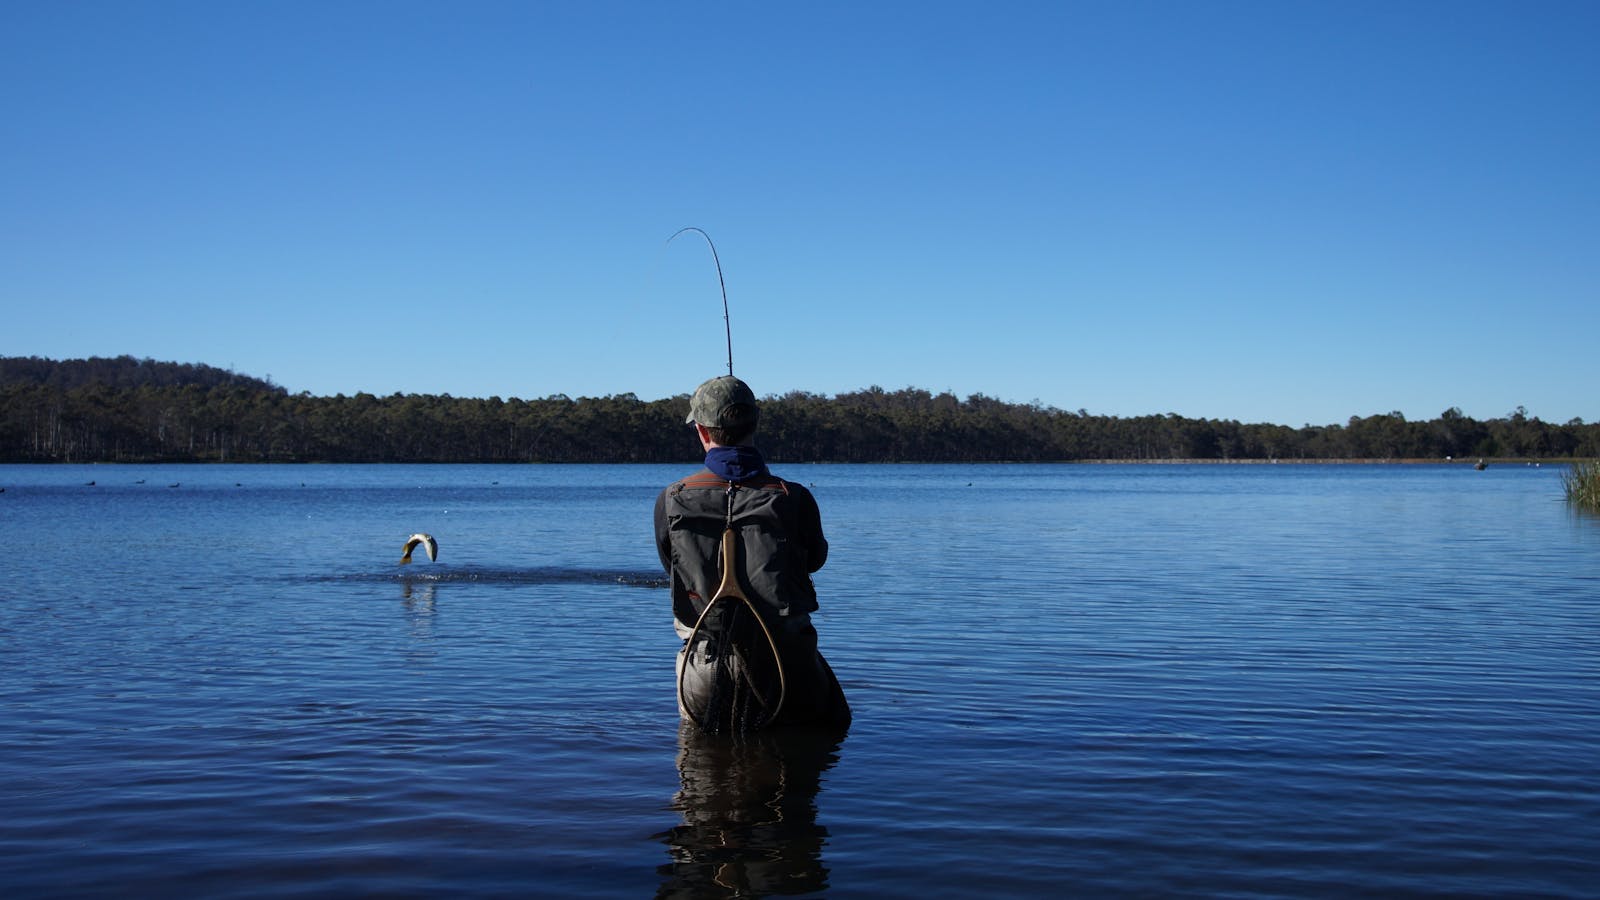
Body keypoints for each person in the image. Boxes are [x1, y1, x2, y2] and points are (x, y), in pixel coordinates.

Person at [654, 375, 850, 732]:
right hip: (784, 661)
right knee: (804, 765)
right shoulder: (794, 497)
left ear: (702, 430)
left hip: (704, 667)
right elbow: (815, 560)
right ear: (755, 424)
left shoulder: (671, 498)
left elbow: (672, 566)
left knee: (702, 778)